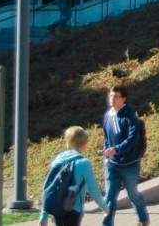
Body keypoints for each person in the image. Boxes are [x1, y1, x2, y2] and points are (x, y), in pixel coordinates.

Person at [39, 127, 108, 226]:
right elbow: (94, 191)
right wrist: (106, 208)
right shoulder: (83, 163)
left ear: (68, 142)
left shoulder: (58, 160)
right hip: (73, 210)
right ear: (84, 144)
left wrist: (43, 216)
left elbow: (49, 188)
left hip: (57, 208)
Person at [101, 86, 149, 226]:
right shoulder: (107, 116)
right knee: (109, 197)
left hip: (129, 164)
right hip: (112, 164)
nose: (112, 99)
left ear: (124, 99)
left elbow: (132, 139)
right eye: (111, 96)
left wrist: (117, 149)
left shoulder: (130, 117)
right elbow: (106, 137)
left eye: (116, 96)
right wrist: (106, 155)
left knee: (133, 194)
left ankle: (143, 219)